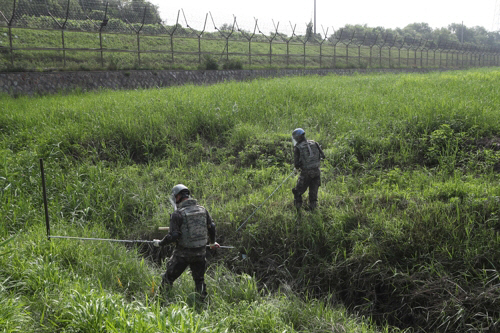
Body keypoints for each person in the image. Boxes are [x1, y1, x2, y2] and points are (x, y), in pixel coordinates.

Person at [153, 184, 219, 299]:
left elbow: (173, 236)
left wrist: (160, 243)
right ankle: (202, 304)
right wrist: (212, 243)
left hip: (182, 255)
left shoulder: (178, 214)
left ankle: (161, 301)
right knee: (199, 280)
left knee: (168, 278)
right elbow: (212, 227)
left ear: (178, 197)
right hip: (200, 253)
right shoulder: (203, 210)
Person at [291, 128, 325, 211]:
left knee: (297, 192)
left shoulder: (298, 147)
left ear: (298, 137)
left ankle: (298, 211)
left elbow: (296, 165)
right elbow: (323, 156)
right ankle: (313, 211)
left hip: (306, 174)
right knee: (313, 195)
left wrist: (299, 166)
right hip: (317, 172)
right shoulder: (314, 143)